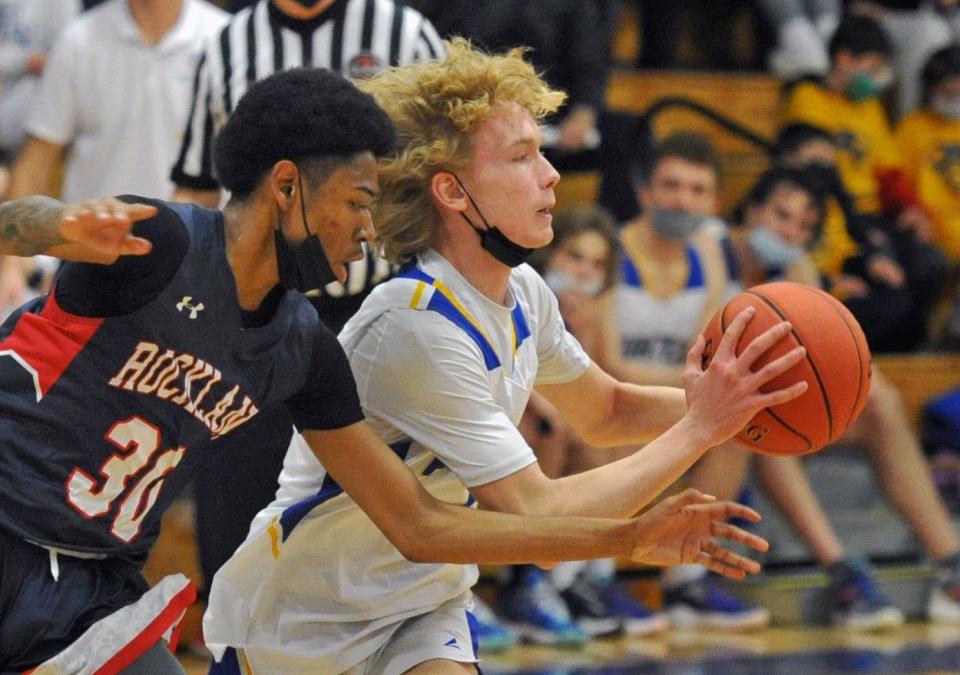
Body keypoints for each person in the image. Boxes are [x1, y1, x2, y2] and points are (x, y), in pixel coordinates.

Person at [0, 67, 774, 675]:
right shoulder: (164, 242)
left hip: (97, 579)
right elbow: (15, 225)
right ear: (286, 186)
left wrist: (650, 508)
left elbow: (421, 523)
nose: (369, 229)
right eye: (356, 201)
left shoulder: (303, 347)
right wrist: (54, 223)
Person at [203, 40, 807, 674]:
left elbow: (605, 410)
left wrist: (755, 406)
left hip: (421, 601)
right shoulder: (414, 325)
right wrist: (699, 429)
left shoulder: (521, 289)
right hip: (304, 617)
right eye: (522, 157)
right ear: (453, 191)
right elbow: (536, 518)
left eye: (542, 152)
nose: (550, 174)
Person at [169, 0, 446, 589]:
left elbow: (442, 182)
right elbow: (195, 185)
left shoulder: (406, 33)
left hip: (371, 311)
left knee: (373, 524)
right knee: (236, 518)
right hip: (252, 310)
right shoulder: (226, 43)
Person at [726, 166, 960, 628]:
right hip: (710, 405)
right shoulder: (712, 251)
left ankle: (950, 561)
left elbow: (825, 358)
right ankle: (842, 570)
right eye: (781, 216)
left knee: (882, 400)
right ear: (752, 209)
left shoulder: (794, 267)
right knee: (762, 418)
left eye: (804, 227)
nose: (790, 232)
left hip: (762, 402)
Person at [603, 131, 773, 631]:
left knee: (737, 422)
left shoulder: (714, 260)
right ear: (644, 192)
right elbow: (605, 366)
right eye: (672, 186)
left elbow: (707, 355)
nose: (683, 200)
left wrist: (700, 392)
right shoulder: (608, 251)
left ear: (715, 201)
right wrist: (692, 389)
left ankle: (688, 580)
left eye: (697, 190)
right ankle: (588, 578)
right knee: (607, 419)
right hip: (610, 397)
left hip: (665, 398)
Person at [0, 0, 228, 321]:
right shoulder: (79, 39)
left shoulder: (224, 38)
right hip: (88, 264)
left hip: (192, 270)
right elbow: (38, 157)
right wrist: (11, 262)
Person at [779, 14, 951, 351]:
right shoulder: (808, 97)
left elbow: (888, 172)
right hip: (835, 213)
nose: (877, 79)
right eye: (873, 67)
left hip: (875, 214)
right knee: (888, 289)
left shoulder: (868, 105)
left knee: (931, 263)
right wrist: (872, 247)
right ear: (844, 59)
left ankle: (908, 353)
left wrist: (910, 209)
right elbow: (818, 176)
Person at [895, 44, 960, 346]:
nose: (954, 94)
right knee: (927, 264)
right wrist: (914, 213)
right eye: (948, 88)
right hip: (932, 231)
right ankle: (929, 339)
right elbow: (898, 184)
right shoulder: (912, 128)